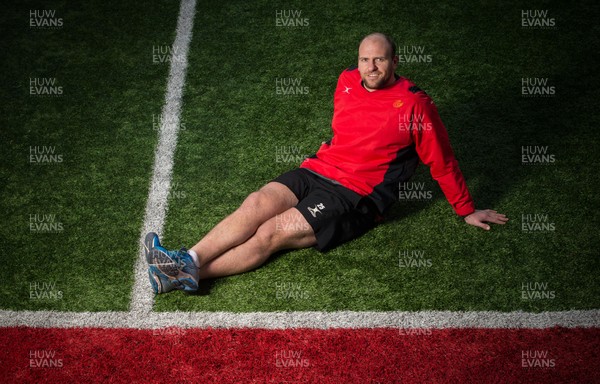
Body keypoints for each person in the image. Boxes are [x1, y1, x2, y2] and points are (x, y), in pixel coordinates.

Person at [144, 32, 508, 294]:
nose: (371, 66)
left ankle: (183, 274)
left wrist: (466, 209)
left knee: (272, 232)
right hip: (317, 169)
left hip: (356, 195)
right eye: (365, 59)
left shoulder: (415, 105)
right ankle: (186, 258)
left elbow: (441, 161)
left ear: (395, 61)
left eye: (380, 59)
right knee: (256, 204)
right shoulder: (347, 81)